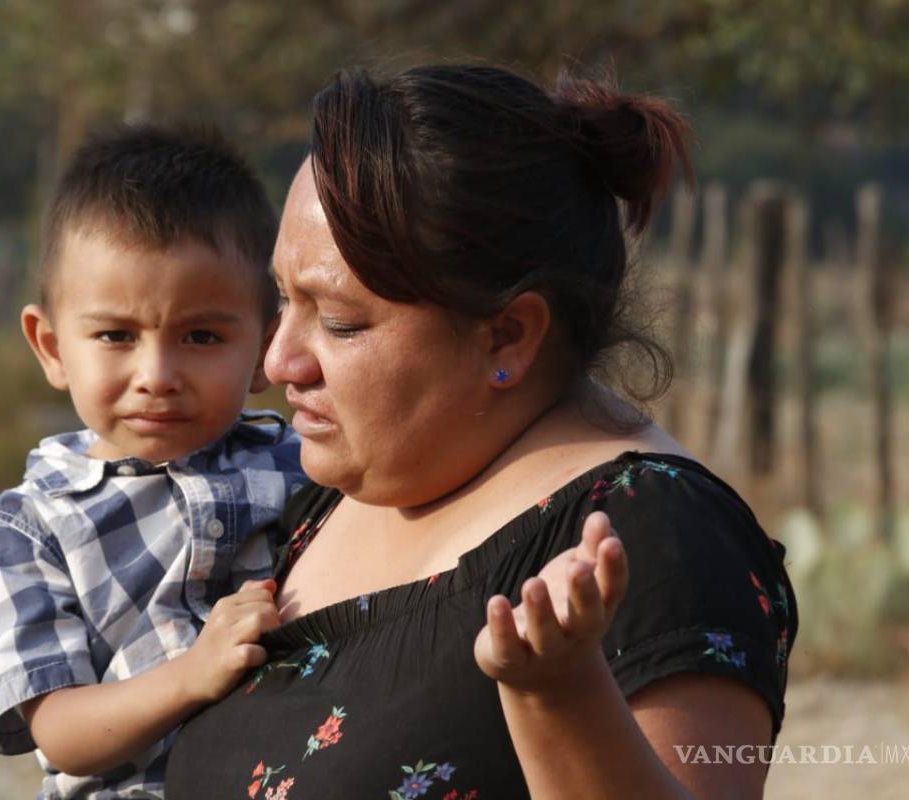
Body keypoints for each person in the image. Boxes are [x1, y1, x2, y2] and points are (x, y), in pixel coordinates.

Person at [165, 65, 797, 798]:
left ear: (507, 336)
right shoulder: (331, 490)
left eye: (339, 322)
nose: (278, 362)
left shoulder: (650, 541)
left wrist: (559, 696)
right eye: (282, 298)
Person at [0, 123, 305, 799]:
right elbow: (60, 732)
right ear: (51, 347)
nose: (157, 376)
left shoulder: (303, 469)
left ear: (268, 345)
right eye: (116, 335)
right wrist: (191, 675)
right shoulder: (28, 530)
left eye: (201, 336)